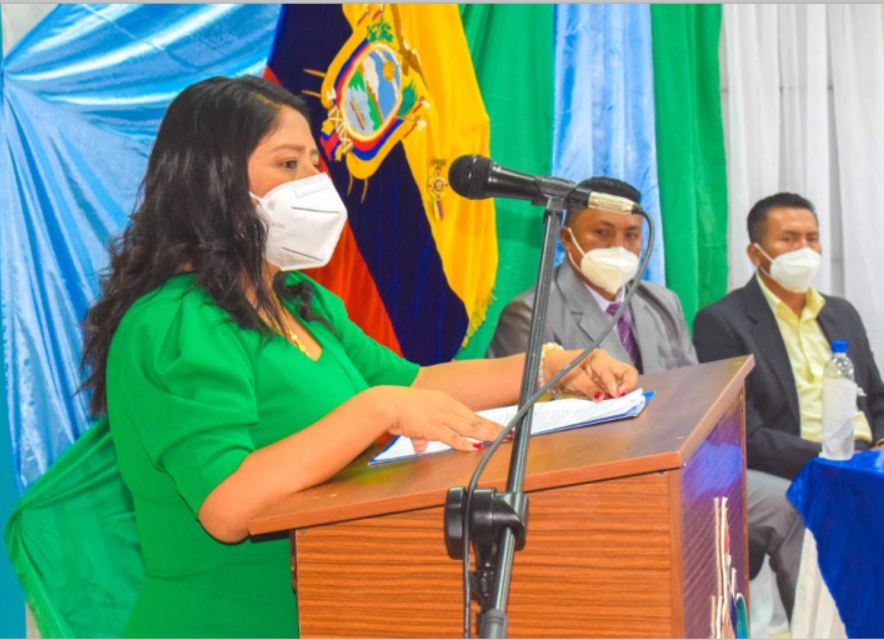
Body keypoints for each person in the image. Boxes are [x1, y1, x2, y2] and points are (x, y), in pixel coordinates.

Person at [79, 75, 638, 638]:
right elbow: (228, 505)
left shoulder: (299, 300)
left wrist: (550, 368)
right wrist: (376, 410)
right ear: (214, 179)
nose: (314, 183)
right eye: (288, 164)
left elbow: (416, 385)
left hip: (328, 612)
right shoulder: (175, 322)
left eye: (315, 164)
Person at [693, 192, 884, 622]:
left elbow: (882, 402)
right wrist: (835, 461)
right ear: (755, 253)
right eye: (788, 239)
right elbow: (746, 433)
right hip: (801, 464)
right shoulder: (723, 322)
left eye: (812, 238)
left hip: (869, 459)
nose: (804, 250)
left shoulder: (841, 313)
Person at [487, 176, 697, 375]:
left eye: (631, 235)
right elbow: (519, 397)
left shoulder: (664, 303)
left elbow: (692, 385)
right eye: (602, 233)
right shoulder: (531, 315)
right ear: (566, 238)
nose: (618, 247)